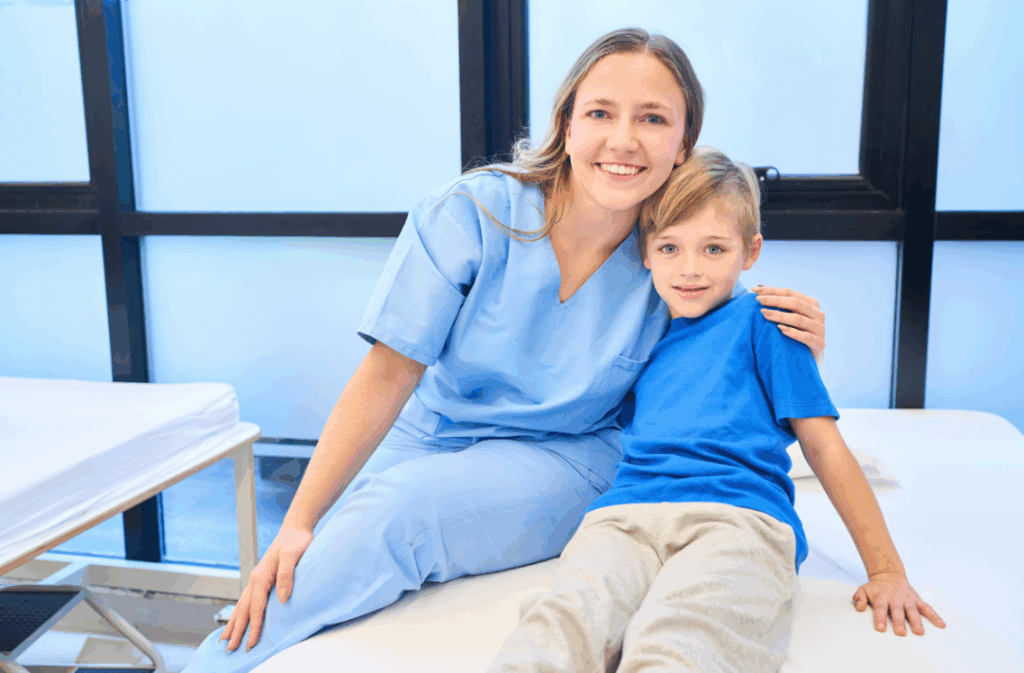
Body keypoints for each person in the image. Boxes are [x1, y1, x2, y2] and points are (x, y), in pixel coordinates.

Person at [185, 29, 828, 671]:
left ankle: (210, 664)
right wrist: (300, 520)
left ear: (682, 143)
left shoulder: (672, 255)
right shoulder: (476, 213)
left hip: (574, 454)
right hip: (433, 435)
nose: (624, 140)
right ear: (567, 125)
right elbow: (387, 375)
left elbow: (727, 366)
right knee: (332, 543)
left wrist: (797, 348)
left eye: (653, 118)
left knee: (398, 513)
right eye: (600, 112)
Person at [486, 147, 945, 673]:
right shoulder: (639, 333)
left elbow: (823, 444)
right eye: (670, 248)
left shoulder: (769, 321)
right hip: (624, 518)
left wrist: (885, 570)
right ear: (645, 251)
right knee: (564, 616)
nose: (689, 270)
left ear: (750, 252)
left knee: (681, 634)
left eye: (713, 249)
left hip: (738, 520)